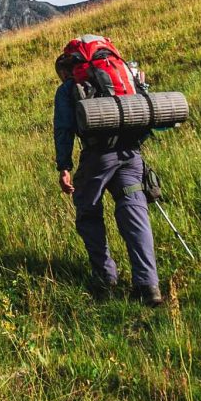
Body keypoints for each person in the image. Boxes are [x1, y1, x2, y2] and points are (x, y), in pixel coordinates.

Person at [54, 41, 164, 306]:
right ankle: (148, 286)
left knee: (88, 212)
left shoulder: (69, 87)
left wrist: (64, 167)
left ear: (70, 67)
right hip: (131, 154)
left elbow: (64, 129)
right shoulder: (125, 75)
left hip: (97, 157)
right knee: (135, 213)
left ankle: (105, 279)